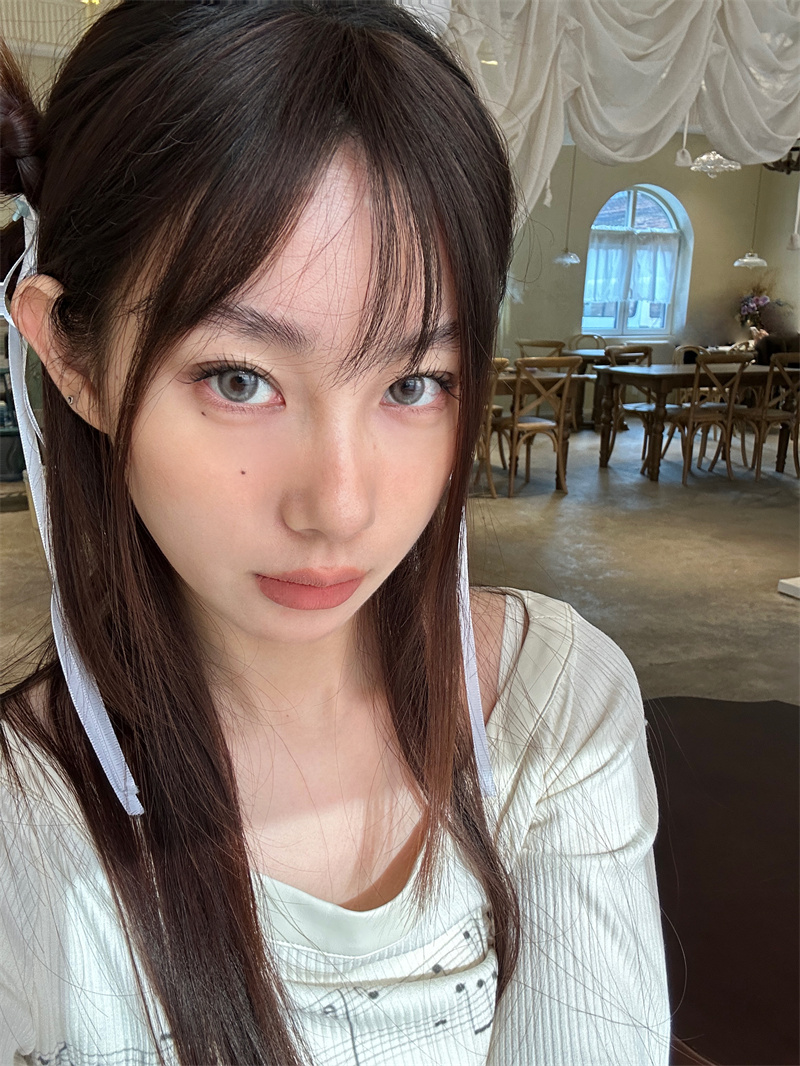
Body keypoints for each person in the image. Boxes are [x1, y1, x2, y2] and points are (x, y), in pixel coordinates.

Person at [0, 2, 671, 1063]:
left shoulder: (556, 713)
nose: (341, 507)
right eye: (239, 379)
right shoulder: (23, 827)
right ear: (73, 359)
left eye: (413, 382)